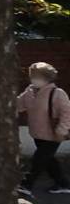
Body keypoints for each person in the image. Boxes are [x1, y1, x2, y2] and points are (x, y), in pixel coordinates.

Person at [17, 61, 70, 195]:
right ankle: (63, 183)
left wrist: (62, 130)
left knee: (39, 159)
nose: (34, 79)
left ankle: (26, 185)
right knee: (48, 159)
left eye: (37, 76)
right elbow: (19, 104)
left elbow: (66, 113)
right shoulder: (30, 91)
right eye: (32, 75)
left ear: (47, 77)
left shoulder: (57, 93)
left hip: (53, 134)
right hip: (37, 133)